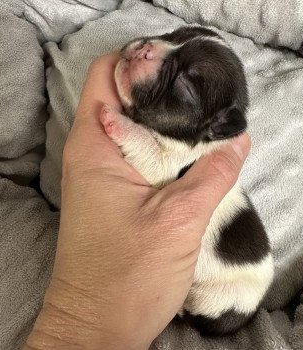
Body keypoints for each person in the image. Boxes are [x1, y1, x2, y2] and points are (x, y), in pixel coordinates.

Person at [24, 53, 250, 350]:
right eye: (174, 37)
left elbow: (157, 168)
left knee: (220, 299)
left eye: (184, 86)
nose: (149, 50)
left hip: (233, 294)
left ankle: (184, 307)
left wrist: (127, 133)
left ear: (218, 128)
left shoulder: (188, 153)